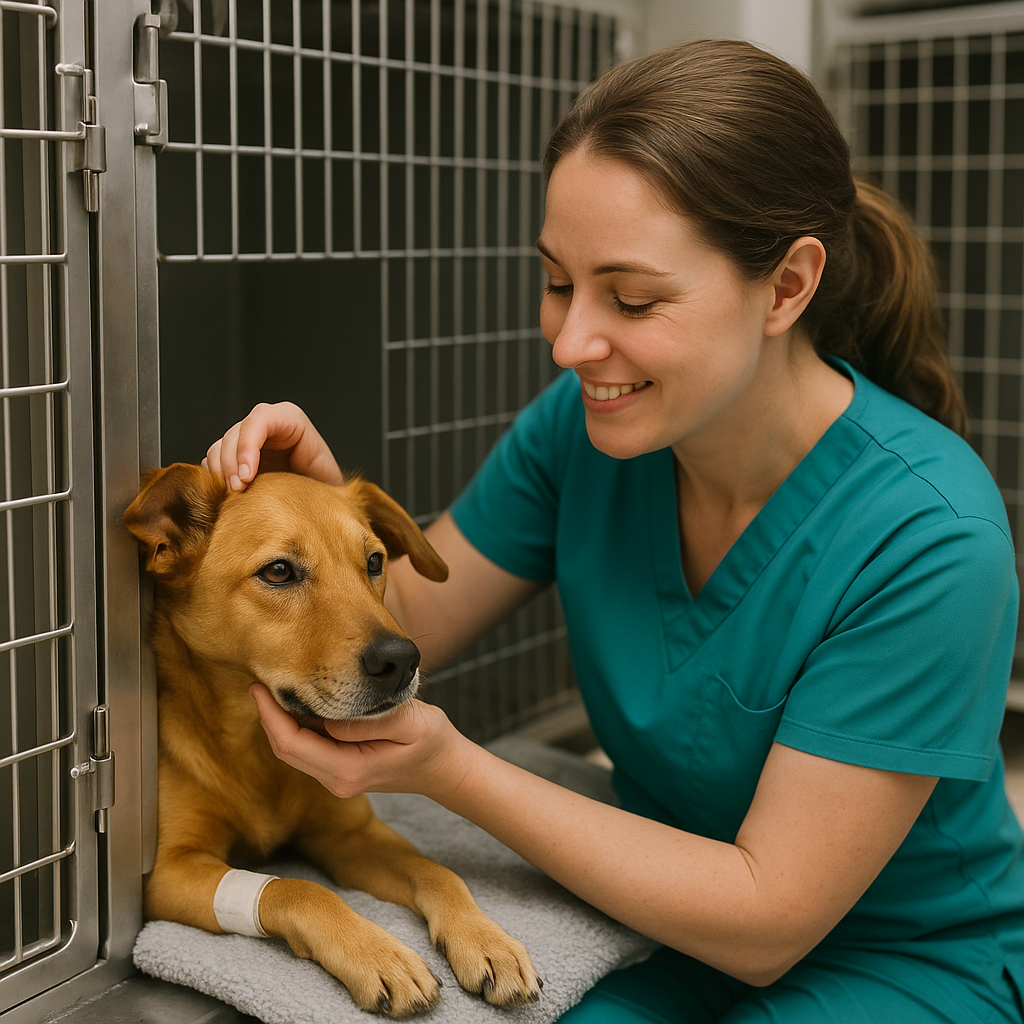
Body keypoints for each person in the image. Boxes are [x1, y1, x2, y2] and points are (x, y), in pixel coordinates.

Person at [204, 39, 1024, 1024]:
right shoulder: (579, 432)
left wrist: (450, 767)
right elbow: (412, 610)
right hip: (661, 911)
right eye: (557, 281)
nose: (569, 341)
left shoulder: (928, 537)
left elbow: (768, 920)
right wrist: (328, 527)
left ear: (787, 285)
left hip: (896, 955)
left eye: (631, 299)